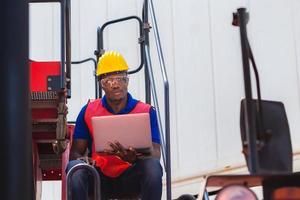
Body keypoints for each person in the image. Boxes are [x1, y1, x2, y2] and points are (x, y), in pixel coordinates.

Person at [66, 51, 163, 200]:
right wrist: (84, 160)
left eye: (120, 78)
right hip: (99, 178)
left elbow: (156, 154)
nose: (116, 85)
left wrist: (134, 159)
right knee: (75, 167)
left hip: (130, 177)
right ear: (102, 84)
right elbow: (75, 154)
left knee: (153, 167)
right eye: (109, 80)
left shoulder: (146, 111)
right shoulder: (88, 111)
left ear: (127, 81)